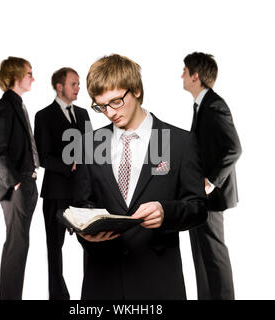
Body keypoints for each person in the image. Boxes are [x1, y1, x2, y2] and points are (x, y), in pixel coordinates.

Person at [73, 54, 208, 300]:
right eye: (101, 106)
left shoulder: (179, 142)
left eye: (115, 101)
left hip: (158, 283)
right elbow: (83, 203)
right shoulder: (89, 144)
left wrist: (166, 212)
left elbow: (198, 207)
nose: (109, 113)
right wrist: (87, 234)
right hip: (102, 282)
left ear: (135, 90)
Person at [181, 52, 242, 300]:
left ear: (196, 76)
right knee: (201, 256)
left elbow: (234, 148)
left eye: (184, 71)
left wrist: (211, 182)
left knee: (214, 256)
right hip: (198, 195)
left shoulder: (215, 105)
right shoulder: (201, 105)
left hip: (211, 196)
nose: (181, 75)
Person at [34, 67, 92, 300]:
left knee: (92, 245)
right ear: (60, 87)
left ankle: (92, 294)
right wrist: (71, 166)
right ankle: (58, 297)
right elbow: (43, 156)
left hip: (82, 193)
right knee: (54, 249)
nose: (79, 88)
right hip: (56, 193)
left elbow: (91, 150)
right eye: (74, 84)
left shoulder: (84, 114)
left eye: (79, 84)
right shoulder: (43, 116)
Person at [0, 56, 39, 300]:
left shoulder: (17, 105)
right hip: (15, 189)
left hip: (27, 184)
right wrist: (16, 183)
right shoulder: (3, 107)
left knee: (20, 246)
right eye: (29, 73)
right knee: (16, 248)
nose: (33, 77)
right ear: (16, 76)